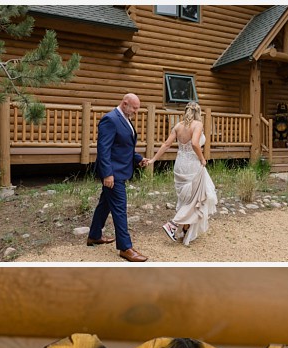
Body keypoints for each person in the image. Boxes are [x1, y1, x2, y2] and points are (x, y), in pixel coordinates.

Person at [87, 93, 150, 262]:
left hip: (120, 170)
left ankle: (94, 235)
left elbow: (123, 148)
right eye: (134, 108)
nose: (136, 112)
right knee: (120, 209)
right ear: (125, 103)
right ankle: (125, 248)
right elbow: (104, 149)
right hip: (113, 173)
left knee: (105, 204)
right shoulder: (110, 119)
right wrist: (107, 174)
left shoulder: (125, 118)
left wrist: (138, 159)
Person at [148, 101, 218, 245]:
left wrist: (153, 159)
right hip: (192, 165)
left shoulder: (178, 126)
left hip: (179, 165)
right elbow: (194, 143)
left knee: (186, 199)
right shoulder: (198, 124)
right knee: (196, 198)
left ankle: (186, 229)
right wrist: (203, 159)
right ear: (198, 113)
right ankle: (172, 224)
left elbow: (166, 144)